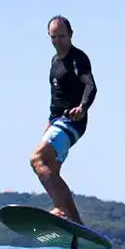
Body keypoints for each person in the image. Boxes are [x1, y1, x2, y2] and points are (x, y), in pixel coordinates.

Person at [30, 15, 98, 224]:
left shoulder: (78, 59)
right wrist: (49, 124)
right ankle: (77, 225)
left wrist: (82, 107)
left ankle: (61, 208)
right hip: (57, 121)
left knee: (37, 160)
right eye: (54, 37)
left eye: (62, 36)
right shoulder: (55, 62)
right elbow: (55, 99)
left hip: (73, 121)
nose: (58, 41)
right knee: (51, 171)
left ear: (71, 35)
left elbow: (90, 86)